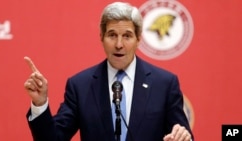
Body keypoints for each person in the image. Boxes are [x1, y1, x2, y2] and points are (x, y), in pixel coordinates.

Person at [24, 2, 194, 141]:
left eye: (127, 36)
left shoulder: (164, 84)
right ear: (101, 37)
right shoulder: (80, 86)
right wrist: (40, 104)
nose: (119, 44)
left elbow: (184, 136)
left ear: (138, 39)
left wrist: (182, 139)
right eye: (112, 35)